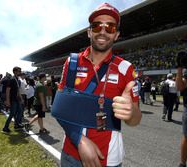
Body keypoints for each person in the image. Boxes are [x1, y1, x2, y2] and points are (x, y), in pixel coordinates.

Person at [52, 3, 141, 167]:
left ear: (116, 35)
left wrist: (131, 112)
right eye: (97, 26)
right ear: (89, 31)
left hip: (108, 158)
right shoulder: (72, 62)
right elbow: (58, 109)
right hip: (71, 153)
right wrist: (79, 140)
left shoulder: (126, 68)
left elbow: (135, 120)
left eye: (110, 27)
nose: (103, 31)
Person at [2, 67, 24, 133]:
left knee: (20, 111)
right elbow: (7, 90)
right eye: (19, 71)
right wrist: (8, 100)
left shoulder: (17, 79)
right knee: (12, 113)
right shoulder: (12, 79)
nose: (20, 72)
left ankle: (16, 125)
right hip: (12, 99)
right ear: (14, 72)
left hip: (17, 99)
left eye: (20, 71)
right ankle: (5, 128)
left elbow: (18, 90)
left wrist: (21, 98)